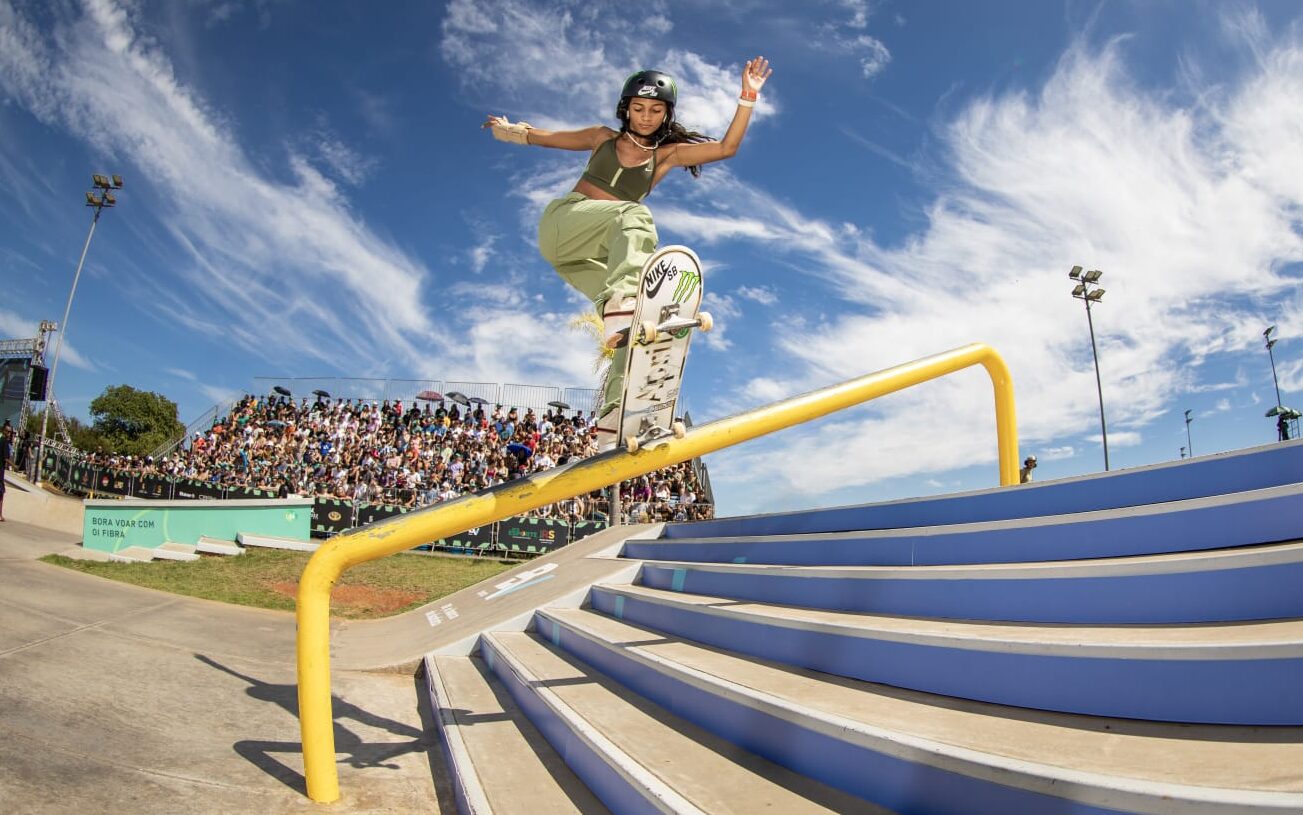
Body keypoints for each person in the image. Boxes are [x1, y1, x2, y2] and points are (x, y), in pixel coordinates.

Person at [484, 57, 773, 449]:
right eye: (638, 109)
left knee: (636, 324)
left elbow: (726, 147)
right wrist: (508, 131)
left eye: (655, 111)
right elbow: (545, 136)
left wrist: (747, 98)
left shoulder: (666, 155)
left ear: (667, 114)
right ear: (626, 109)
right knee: (634, 217)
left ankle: (615, 419)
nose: (646, 117)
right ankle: (622, 299)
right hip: (562, 225)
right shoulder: (602, 138)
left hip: (579, 260)